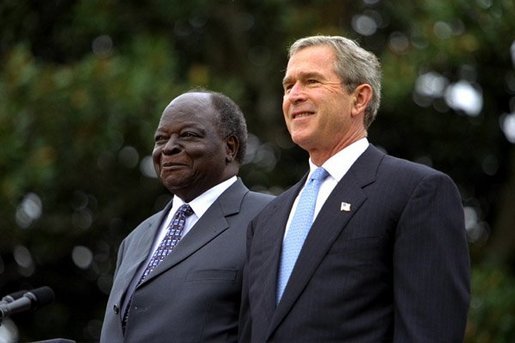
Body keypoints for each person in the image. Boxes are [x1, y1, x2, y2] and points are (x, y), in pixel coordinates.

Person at [240, 35, 470, 342]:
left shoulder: (416, 192)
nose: (294, 95)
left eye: (311, 81)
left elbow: (429, 331)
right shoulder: (267, 219)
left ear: (359, 98)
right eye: (288, 85)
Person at [100, 89, 273, 342]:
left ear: (230, 147)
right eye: (160, 139)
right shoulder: (135, 239)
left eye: (188, 135)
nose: (168, 149)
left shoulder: (269, 218)